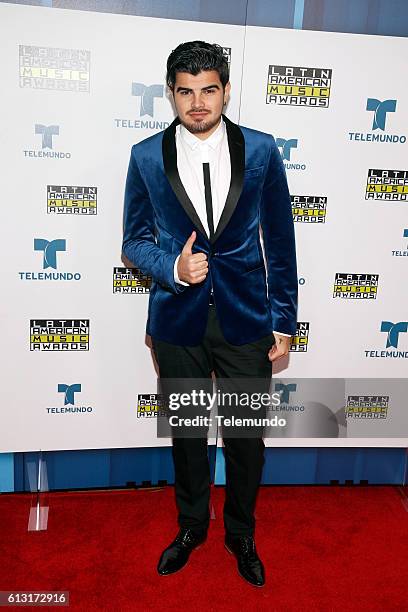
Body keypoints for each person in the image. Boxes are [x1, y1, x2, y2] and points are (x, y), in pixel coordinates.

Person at [122, 41, 297, 587]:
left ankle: (240, 533)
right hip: (178, 322)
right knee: (189, 436)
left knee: (246, 439)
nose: (197, 103)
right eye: (185, 91)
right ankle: (192, 527)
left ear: (225, 89)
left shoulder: (263, 151)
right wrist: (172, 268)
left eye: (208, 90)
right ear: (171, 93)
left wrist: (284, 321)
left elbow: (281, 241)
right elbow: (133, 241)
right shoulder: (146, 156)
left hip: (247, 320)